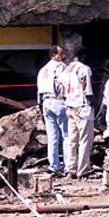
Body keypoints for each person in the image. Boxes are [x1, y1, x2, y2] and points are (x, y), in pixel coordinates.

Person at [61, 44, 95, 179]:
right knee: (85, 140)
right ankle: (83, 170)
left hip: (69, 107)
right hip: (82, 107)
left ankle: (70, 170)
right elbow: (88, 91)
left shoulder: (66, 70)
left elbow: (62, 91)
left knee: (72, 140)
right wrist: (95, 105)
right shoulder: (84, 69)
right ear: (83, 56)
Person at [37, 46, 68, 177]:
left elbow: (38, 90)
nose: (64, 56)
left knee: (52, 136)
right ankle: (68, 165)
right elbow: (63, 85)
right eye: (61, 53)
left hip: (46, 103)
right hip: (58, 101)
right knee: (67, 136)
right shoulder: (61, 67)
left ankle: (54, 166)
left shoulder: (43, 69)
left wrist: (40, 105)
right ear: (54, 55)